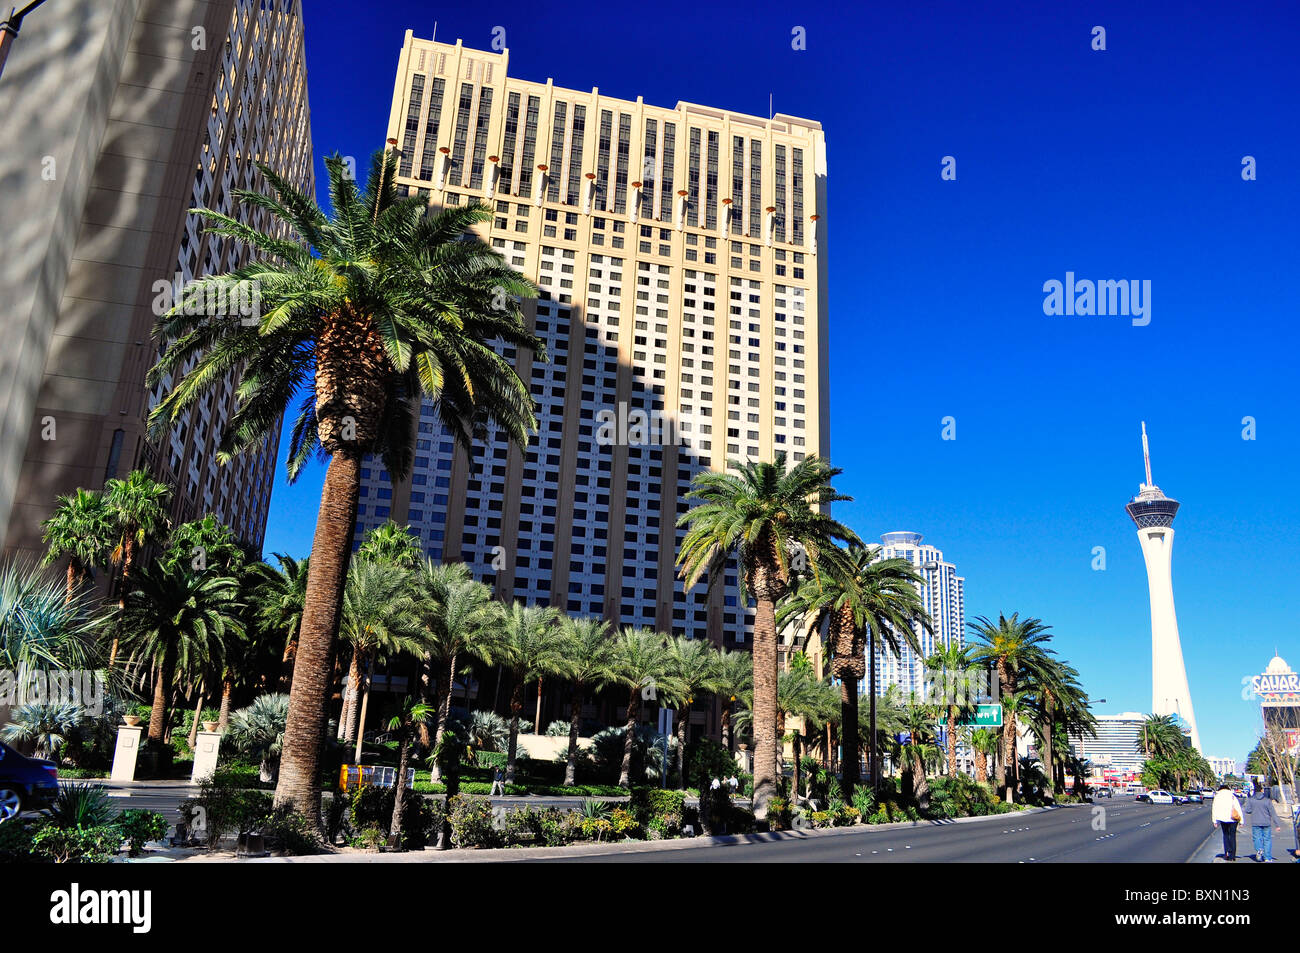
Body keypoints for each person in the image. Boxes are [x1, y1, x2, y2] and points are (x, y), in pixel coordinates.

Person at [1244, 784, 1281, 862]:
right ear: (1261, 790)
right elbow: (1273, 813)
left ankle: (1259, 849)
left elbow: (1247, 810)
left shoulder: (1251, 800)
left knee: (1257, 838)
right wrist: (1277, 825)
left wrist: (1254, 810)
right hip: (1266, 822)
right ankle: (1267, 857)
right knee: (1267, 839)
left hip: (1255, 822)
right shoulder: (1267, 800)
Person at [1211, 783, 1243, 861]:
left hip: (1223, 819)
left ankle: (1226, 853)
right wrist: (1241, 821)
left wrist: (1214, 820)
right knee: (1233, 836)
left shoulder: (1217, 797)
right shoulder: (1232, 796)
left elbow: (1214, 808)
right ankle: (1233, 855)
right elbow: (1238, 808)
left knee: (1225, 835)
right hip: (1233, 819)